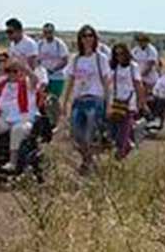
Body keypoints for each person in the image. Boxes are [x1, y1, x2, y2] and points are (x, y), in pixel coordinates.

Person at [60, 25, 112, 175]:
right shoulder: (75, 59)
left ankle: (87, 163)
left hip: (95, 99)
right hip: (79, 100)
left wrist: (108, 104)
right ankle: (89, 160)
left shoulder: (100, 58)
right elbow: (70, 81)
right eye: (84, 36)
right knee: (76, 135)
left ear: (95, 39)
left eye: (90, 36)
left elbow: (107, 82)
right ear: (80, 39)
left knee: (89, 134)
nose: (87, 39)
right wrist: (64, 103)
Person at [0, 58, 40, 173]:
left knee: (17, 130)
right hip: (5, 118)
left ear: (20, 72)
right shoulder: (2, 85)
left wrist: (25, 68)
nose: (12, 74)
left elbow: (35, 80)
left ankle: (12, 162)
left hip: (23, 119)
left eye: (15, 71)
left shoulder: (26, 84)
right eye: (9, 71)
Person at [107, 43, 146, 159]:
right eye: (117, 54)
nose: (120, 57)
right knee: (114, 132)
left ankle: (121, 153)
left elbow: (138, 84)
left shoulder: (133, 67)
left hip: (129, 103)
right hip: (116, 102)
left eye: (122, 54)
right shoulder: (114, 68)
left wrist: (141, 101)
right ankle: (127, 145)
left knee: (123, 133)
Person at [38, 23, 69, 99]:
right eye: (45, 32)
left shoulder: (59, 44)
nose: (48, 34)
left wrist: (53, 69)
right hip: (43, 78)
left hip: (57, 77)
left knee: (54, 100)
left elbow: (65, 60)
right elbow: (37, 59)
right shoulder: (40, 44)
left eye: (50, 32)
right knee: (42, 100)